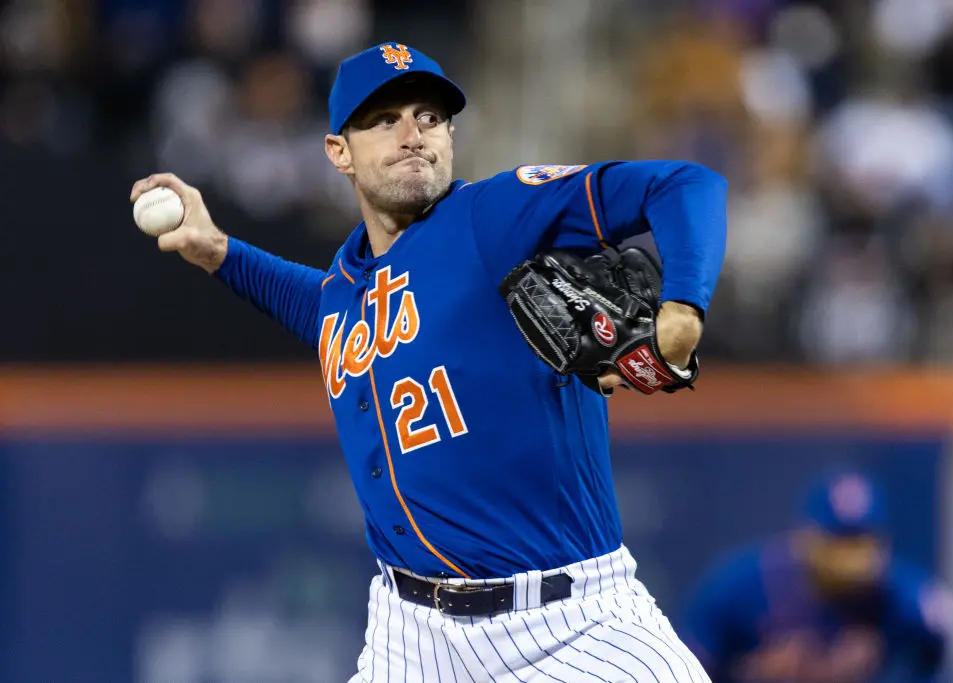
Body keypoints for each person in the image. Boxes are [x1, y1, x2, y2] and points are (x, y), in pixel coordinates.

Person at [130, 41, 727, 682]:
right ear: (339, 152)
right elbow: (323, 311)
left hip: (570, 626)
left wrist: (683, 308)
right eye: (384, 120)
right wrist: (219, 252)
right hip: (408, 637)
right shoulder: (347, 284)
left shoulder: (490, 217)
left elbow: (686, 184)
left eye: (430, 117)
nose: (413, 134)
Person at [674, 470, 953, 683]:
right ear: (805, 536)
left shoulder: (897, 594)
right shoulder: (741, 586)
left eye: (859, 542)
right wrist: (748, 670)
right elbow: (685, 665)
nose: (849, 556)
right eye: (837, 540)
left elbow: (938, 634)